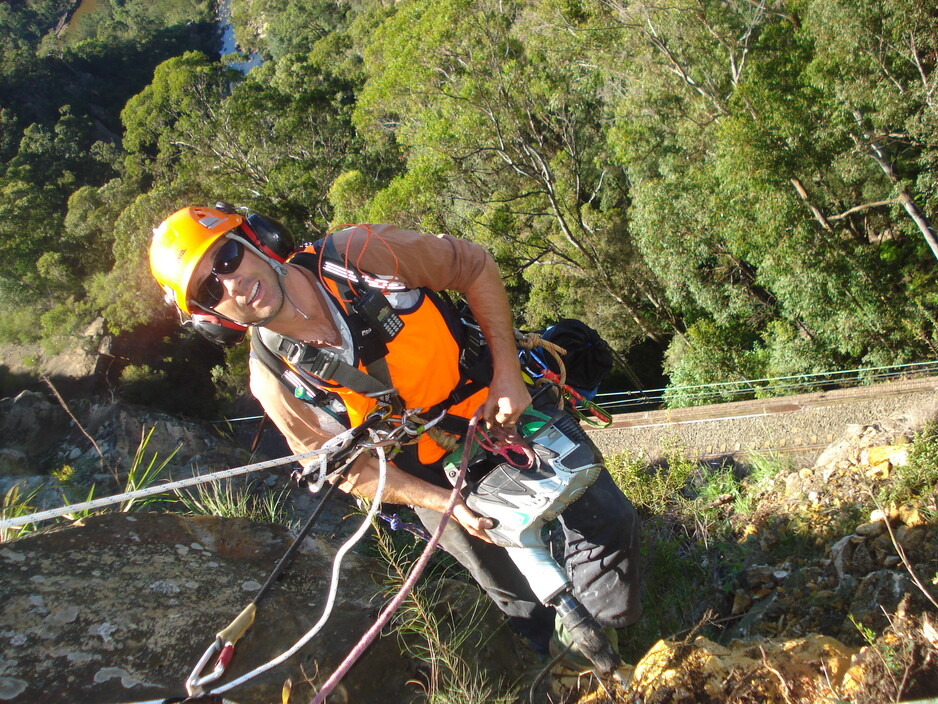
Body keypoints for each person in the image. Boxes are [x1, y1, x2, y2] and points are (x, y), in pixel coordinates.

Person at [149, 204, 641, 663]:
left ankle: (601, 634)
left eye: (228, 257)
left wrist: (509, 375)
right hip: (422, 469)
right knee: (505, 584)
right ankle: (559, 660)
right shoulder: (274, 378)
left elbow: (473, 266)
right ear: (211, 319)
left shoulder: (358, 254)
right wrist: (439, 504)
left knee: (606, 519)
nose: (232, 284)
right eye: (210, 291)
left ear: (257, 238)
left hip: (492, 399)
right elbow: (343, 470)